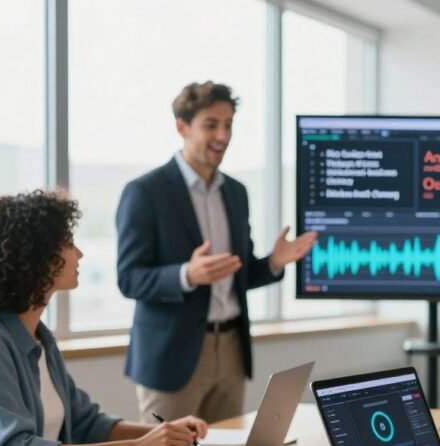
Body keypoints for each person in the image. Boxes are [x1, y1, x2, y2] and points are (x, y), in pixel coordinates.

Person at [0, 191, 207, 446]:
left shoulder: (38, 336)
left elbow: (86, 424)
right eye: (68, 243)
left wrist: (164, 435)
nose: (79, 254)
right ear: (37, 257)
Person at [116, 81, 316, 423]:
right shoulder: (145, 192)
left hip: (231, 350)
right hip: (172, 356)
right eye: (211, 125)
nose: (223, 135)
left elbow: (237, 274)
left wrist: (273, 262)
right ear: (182, 125)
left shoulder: (236, 193)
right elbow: (129, 278)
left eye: (229, 125)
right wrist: (186, 275)